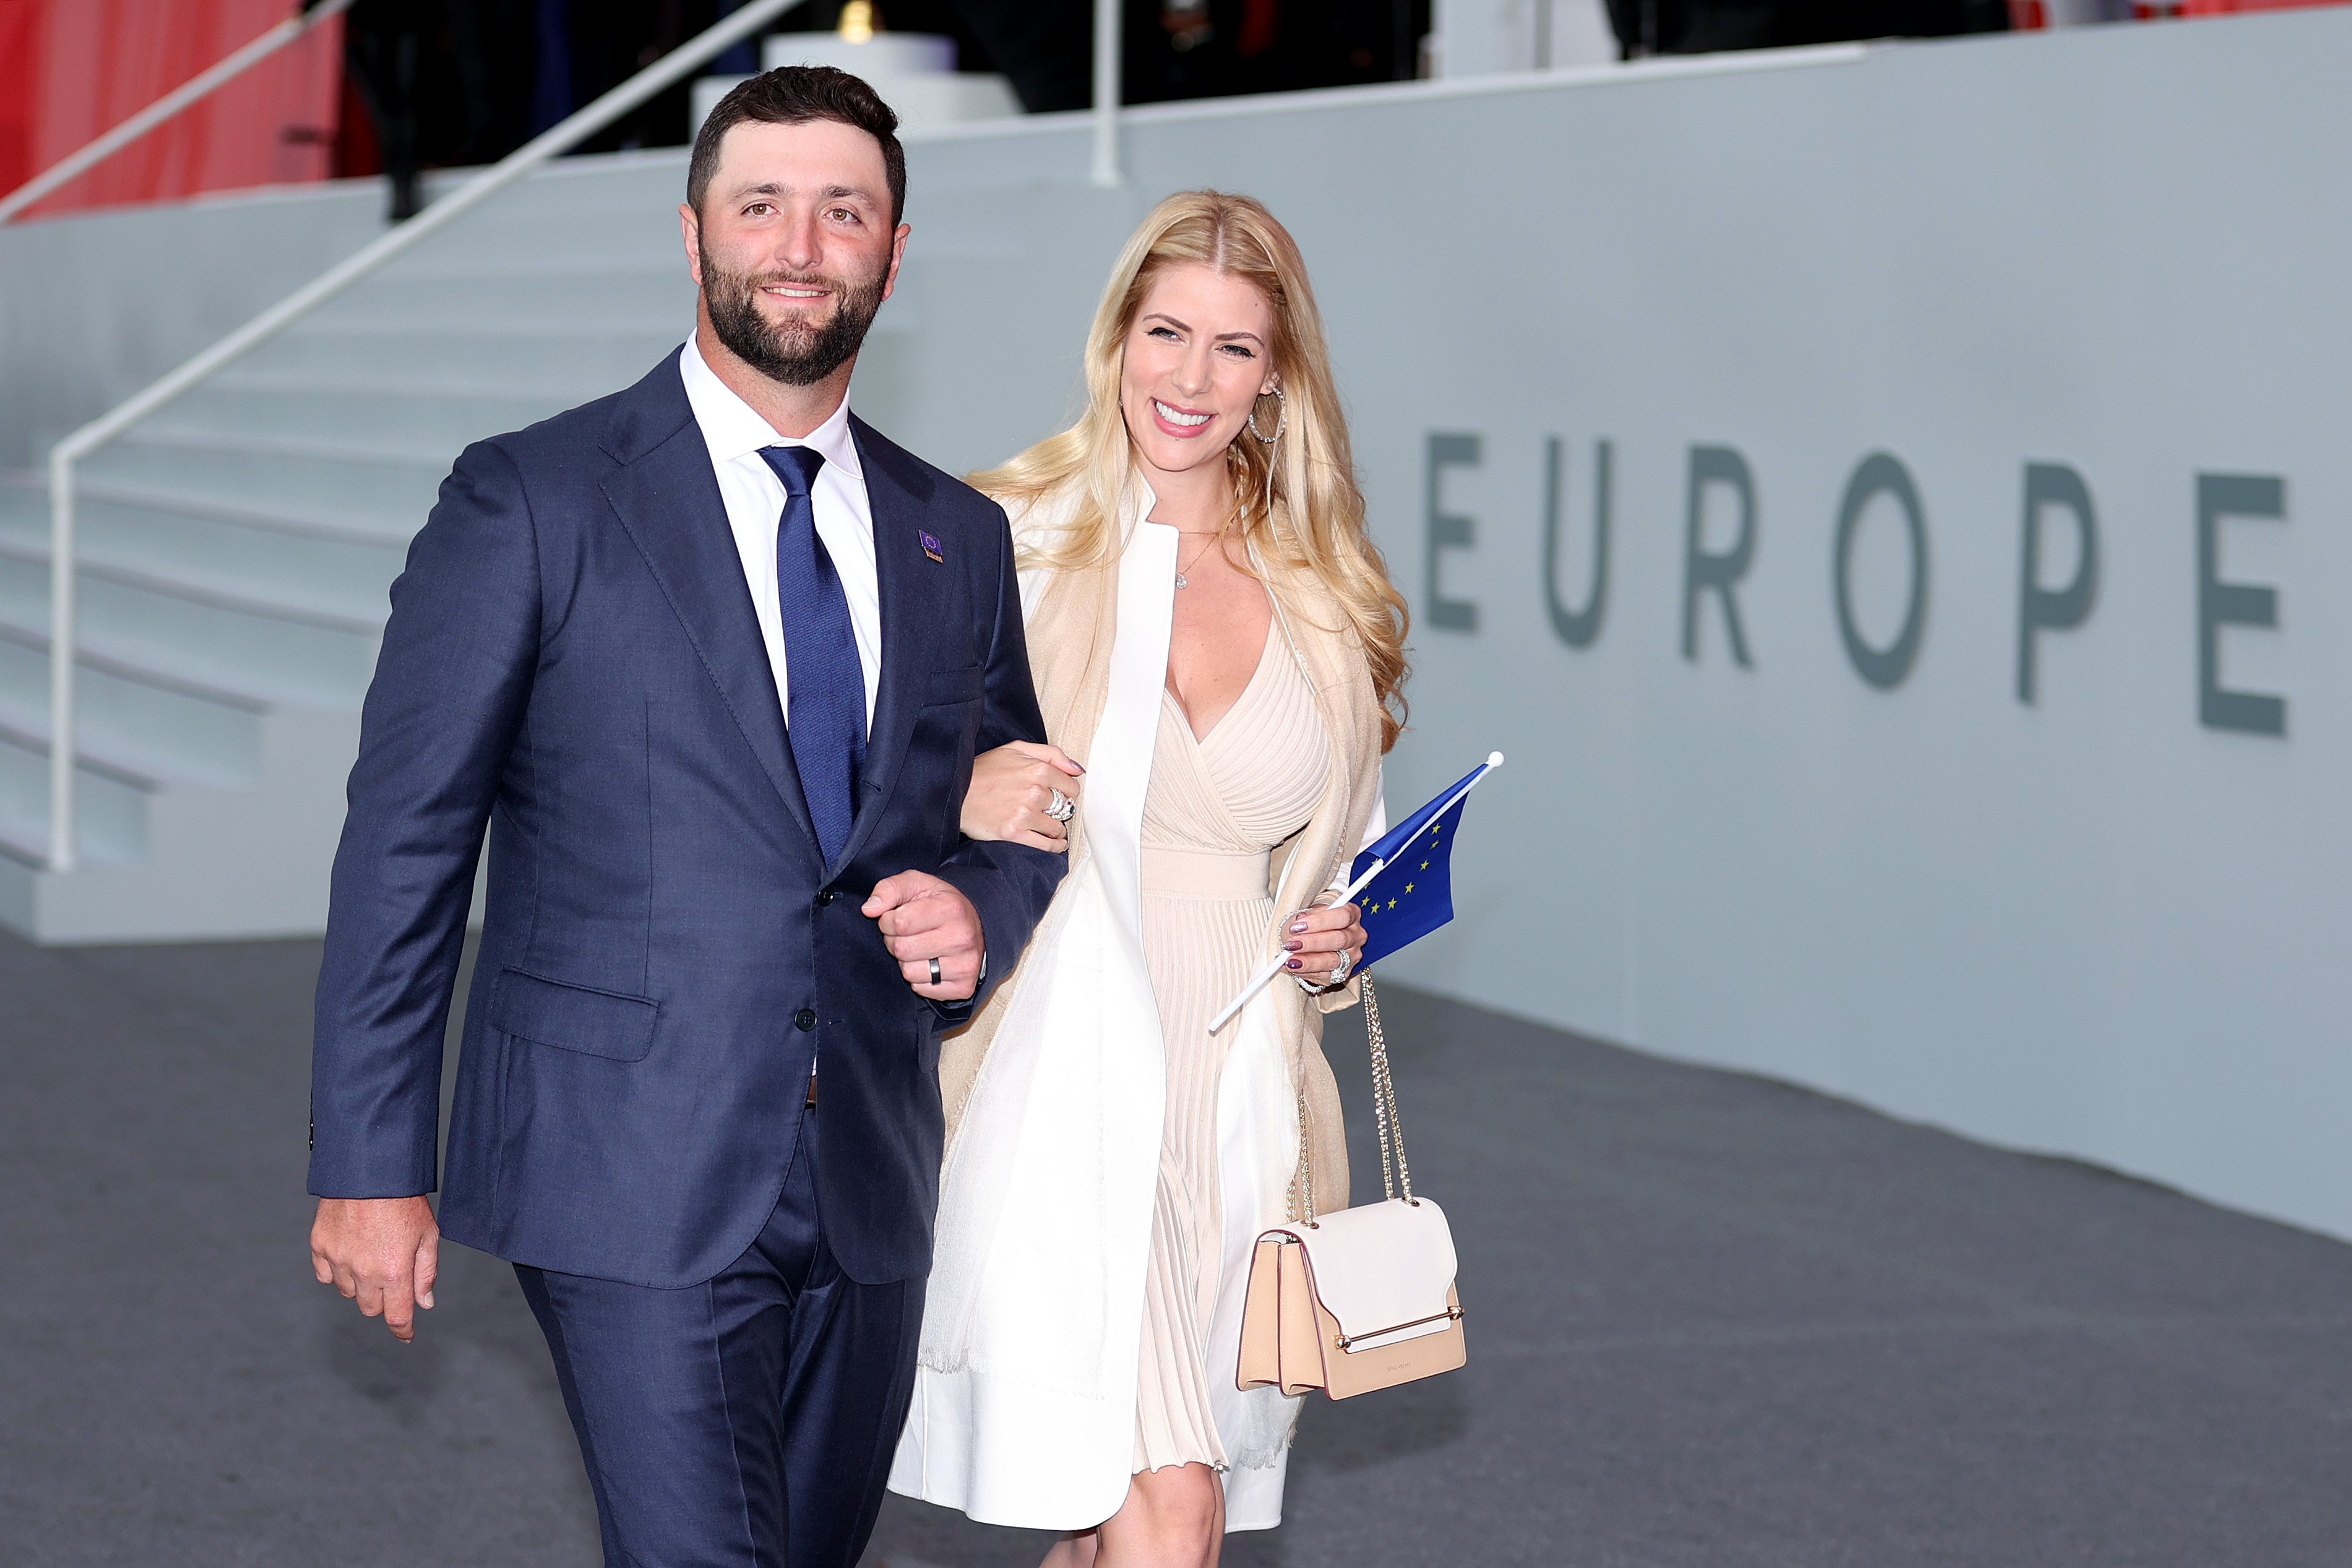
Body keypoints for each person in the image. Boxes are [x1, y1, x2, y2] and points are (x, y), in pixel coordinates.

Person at [304, 67, 1064, 1568]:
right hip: (620, 1157)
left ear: (892, 253)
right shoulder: (533, 497)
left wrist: (983, 903)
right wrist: (370, 1159)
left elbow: (1018, 799)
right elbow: (405, 839)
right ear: (693, 230)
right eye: (761, 204)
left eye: (843, 211)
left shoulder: (953, 534)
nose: (799, 244)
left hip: (867, 1166)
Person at [889, 191, 1410, 1564]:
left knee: (1128, 1520)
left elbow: (1346, 843)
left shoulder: (1325, 587)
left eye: (1232, 348)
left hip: (1240, 1093)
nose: (1189, 378)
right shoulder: (999, 531)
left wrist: (1340, 934)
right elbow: (846, 775)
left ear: (1276, 376)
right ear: (1115, 338)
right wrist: (955, 790)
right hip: (1058, 1074)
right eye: (1164, 332)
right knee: (1171, 1510)